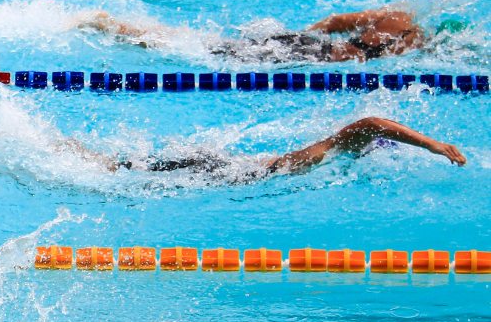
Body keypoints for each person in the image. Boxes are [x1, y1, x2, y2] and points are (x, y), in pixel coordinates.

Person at [57, 116, 466, 181]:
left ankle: (70, 150)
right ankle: (65, 150)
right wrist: (432, 144)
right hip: (220, 170)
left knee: (118, 167)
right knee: (112, 171)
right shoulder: (328, 151)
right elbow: (370, 124)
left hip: (223, 167)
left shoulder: (328, 158)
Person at [74, 5, 456, 62]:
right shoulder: (416, 41)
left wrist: (305, 33)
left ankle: (121, 26)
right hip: (310, 57)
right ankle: (116, 27)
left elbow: (336, 20)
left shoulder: (395, 15)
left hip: (305, 44)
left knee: (210, 46)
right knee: (207, 53)